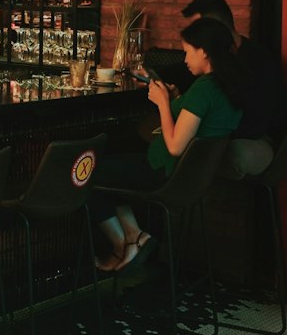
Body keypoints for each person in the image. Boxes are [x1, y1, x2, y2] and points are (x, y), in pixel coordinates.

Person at [92, 16, 246, 272]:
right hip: (193, 178)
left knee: (89, 173)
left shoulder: (204, 89)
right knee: (115, 158)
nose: (185, 60)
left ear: (204, 52)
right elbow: (199, 121)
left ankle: (123, 244)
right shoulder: (229, 86)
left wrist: (163, 103)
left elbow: (175, 145)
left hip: (165, 172)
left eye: (188, 52)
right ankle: (136, 238)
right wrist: (175, 98)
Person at [181, 0, 287, 175]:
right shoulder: (209, 63)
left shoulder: (259, 60)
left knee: (204, 152)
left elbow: (257, 124)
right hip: (223, 135)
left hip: (260, 140)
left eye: (199, 28)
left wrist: (209, 133)